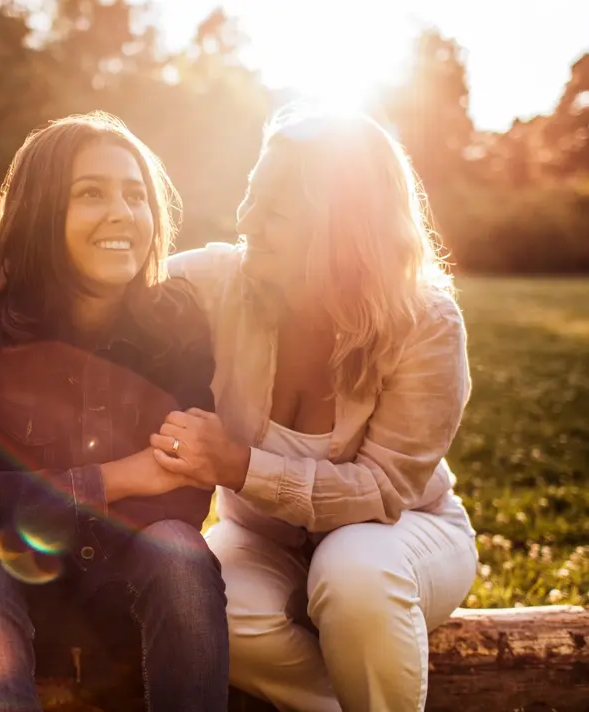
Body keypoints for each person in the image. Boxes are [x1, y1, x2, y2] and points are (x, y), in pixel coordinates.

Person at [148, 109, 478, 712]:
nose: (248, 220)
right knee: (201, 598)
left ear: (346, 231)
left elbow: (384, 490)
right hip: (261, 540)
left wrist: (241, 466)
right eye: (251, 195)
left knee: (354, 575)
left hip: (402, 534)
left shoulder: (425, 321)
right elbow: (107, 285)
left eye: (275, 210)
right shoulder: (220, 281)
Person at [0, 112, 228, 712]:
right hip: (10, 595)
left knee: (179, 554)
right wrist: (119, 478)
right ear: (39, 209)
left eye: (136, 195)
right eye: (91, 193)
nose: (121, 213)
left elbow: (182, 497)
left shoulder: (175, 325)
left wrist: (6, 525)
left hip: (126, 594)